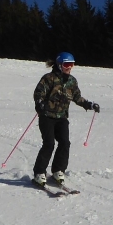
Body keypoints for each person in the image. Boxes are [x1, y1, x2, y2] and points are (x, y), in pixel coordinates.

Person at [32, 52, 100, 187]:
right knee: (49, 144)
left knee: (65, 143)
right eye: (66, 64)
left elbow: (77, 97)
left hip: (61, 118)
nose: (69, 67)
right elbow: (38, 93)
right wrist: (39, 103)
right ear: (59, 65)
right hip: (47, 117)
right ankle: (39, 173)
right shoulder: (49, 78)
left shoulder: (71, 81)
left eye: (71, 64)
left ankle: (58, 170)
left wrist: (89, 105)